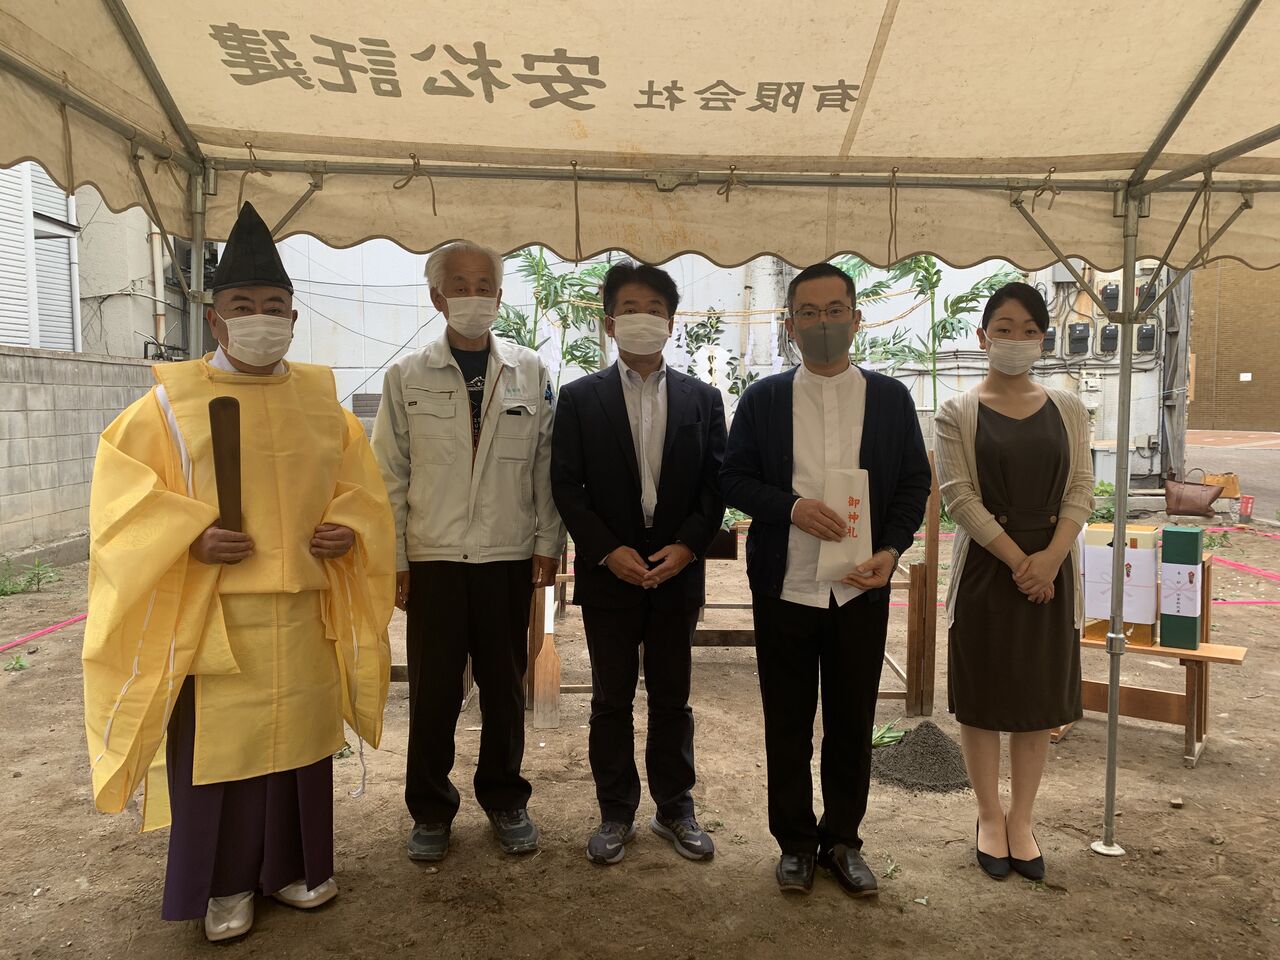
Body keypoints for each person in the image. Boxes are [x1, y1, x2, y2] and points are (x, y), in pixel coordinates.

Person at [83, 201, 395, 943]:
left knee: (302, 753)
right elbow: (122, 501)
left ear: (294, 316)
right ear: (215, 320)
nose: (261, 319)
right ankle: (224, 884)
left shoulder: (321, 401)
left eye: (274, 306)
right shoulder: (169, 403)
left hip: (305, 611)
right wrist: (188, 537)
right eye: (244, 306)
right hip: (218, 613)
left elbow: (361, 490)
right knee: (222, 756)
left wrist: (346, 528)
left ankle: (294, 868)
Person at [720, 262, 931, 897]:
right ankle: (793, 842)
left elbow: (913, 484)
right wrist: (790, 507)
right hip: (785, 586)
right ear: (789, 325)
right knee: (786, 721)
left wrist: (891, 550)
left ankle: (842, 839)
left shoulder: (890, 399)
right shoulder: (763, 400)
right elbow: (733, 478)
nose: (822, 324)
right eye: (808, 313)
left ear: (856, 319)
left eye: (834, 311)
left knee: (851, 720)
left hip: (860, 588)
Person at [372, 241, 564, 864]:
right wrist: (396, 558)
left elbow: (545, 466)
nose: (474, 296)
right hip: (434, 558)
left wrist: (548, 542)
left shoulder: (530, 371)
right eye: (460, 285)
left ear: (500, 297)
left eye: (485, 286)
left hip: (508, 556)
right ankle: (430, 809)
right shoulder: (406, 376)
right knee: (433, 692)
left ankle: (505, 798)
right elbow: (389, 475)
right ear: (438, 297)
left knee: (504, 687)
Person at [551, 261, 726, 865]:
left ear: (672, 322)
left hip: (678, 569)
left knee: (673, 697)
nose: (642, 318)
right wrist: (606, 549)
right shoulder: (579, 399)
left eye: (655, 309)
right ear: (609, 322)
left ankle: (675, 807)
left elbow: (716, 484)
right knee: (611, 698)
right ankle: (615, 811)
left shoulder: (704, 399)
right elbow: (566, 484)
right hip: (611, 572)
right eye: (630, 308)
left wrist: (689, 546)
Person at [934, 282, 1093, 882]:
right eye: (1003, 328)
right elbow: (959, 498)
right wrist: (1021, 563)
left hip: (1053, 566)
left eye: (1029, 330)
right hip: (985, 567)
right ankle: (988, 815)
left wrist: (1050, 560)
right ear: (983, 337)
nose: (1016, 339)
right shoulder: (957, 410)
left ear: (1043, 340)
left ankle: (1021, 819)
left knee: (1035, 700)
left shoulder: (1069, 407)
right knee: (982, 700)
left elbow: (1081, 488)